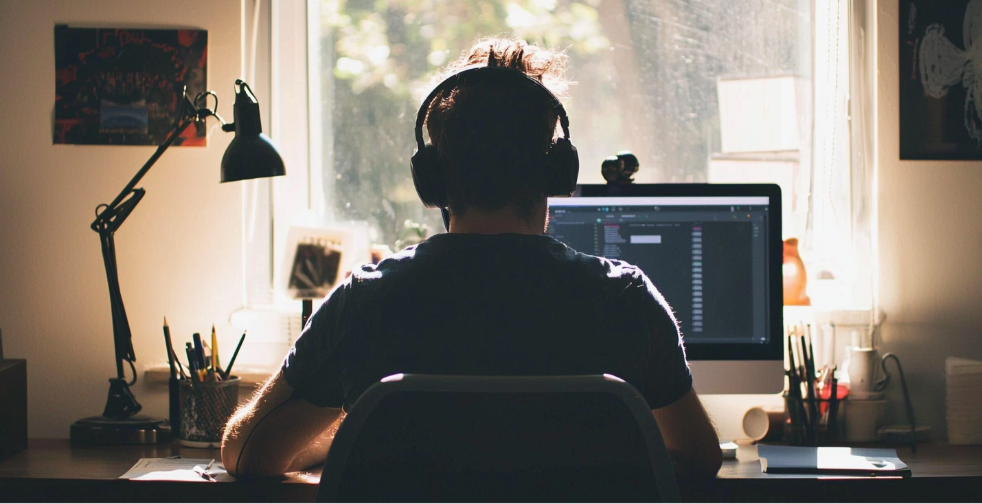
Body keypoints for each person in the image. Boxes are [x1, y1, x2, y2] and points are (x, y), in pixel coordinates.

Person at [221, 37, 722, 478]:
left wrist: (357, 437)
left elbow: (248, 453)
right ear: (556, 172)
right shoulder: (625, 298)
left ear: (432, 179)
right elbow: (699, 456)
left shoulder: (367, 302)